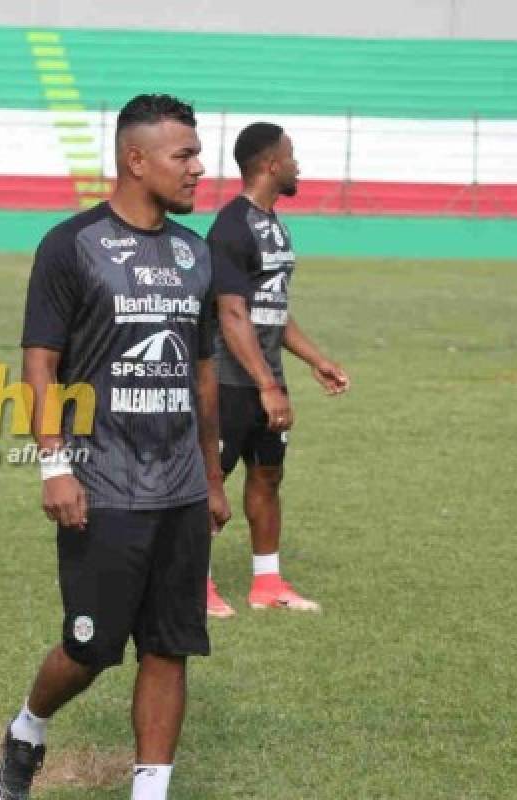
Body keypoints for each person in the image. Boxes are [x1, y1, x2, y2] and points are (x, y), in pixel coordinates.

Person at [0, 94, 231, 800]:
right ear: (136, 160)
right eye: (183, 155)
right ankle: (28, 728)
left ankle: (149, 793)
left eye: (197, 153)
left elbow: (204, 374)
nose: (198, 168)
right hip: (103, 485)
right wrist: (55, 465)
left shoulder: (196, 253)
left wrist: (214, 476)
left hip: (182, 488)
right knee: (91, 648)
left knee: (169, 645)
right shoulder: (71, 245)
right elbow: (40, 365)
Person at [203, 123, 349, 618]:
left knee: (268, 476)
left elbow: (271, 309)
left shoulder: (275, 225)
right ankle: (193, 586)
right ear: (269, 165)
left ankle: (267, 584)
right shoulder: (230, 226)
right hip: (227, 379)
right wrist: (266, 383)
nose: (297, 165)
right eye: (291, 156)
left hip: (268, 380)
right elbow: (232, 312)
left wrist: (316, 359)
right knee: (210, 480)